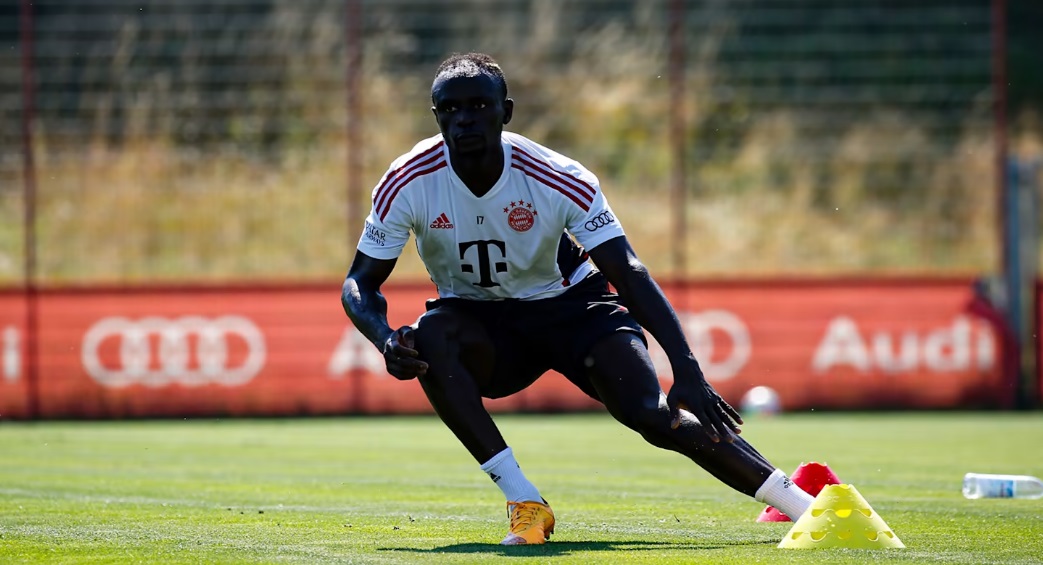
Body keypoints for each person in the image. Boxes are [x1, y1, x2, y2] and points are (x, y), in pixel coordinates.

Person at [341, 52, 814, 545]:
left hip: (571, 310)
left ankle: (805, 506)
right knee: (429, 338)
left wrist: (688, 369)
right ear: (436, 115)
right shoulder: (407, 180)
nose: (465, 119)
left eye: (479, 105)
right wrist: (384, 339)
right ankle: (525, 502)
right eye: (451, 109)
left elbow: (627, 272)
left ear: (507, 111)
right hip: (479, 324)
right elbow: (359, 284)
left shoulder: (556, 175)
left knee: (653, 415)